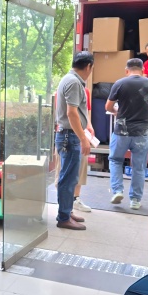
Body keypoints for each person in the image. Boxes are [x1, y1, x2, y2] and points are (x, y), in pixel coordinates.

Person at [105, 58, 148, 210]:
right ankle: (135, 200)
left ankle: (117, 191)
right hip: (141, 133)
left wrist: (116, 111)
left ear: (127, 70)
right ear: (143, 70)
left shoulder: (120, 83)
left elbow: (108, 106)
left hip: (121, 131)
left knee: (115, 160)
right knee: (139, 167)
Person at [55, 51, 94, 230]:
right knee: (68, 178)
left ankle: (67, 211)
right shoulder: (73, 82)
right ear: (88, 66)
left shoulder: (69, 79)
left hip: (68, 135)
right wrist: (83, 139)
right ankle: (64, 217)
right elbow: (71, 113)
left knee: (70, 177)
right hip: (69, 136)